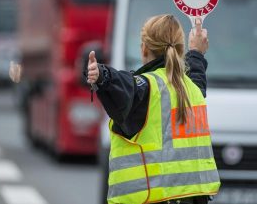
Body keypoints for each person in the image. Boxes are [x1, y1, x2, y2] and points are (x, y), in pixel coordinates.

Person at [87, 15, 220, 204]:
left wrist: (102, 75)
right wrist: (197, 52)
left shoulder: (148, 88)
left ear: (144, 48)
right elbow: (196, 76)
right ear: (180, 48)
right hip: (192, 198)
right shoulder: (191, 89)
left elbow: (126, 87)